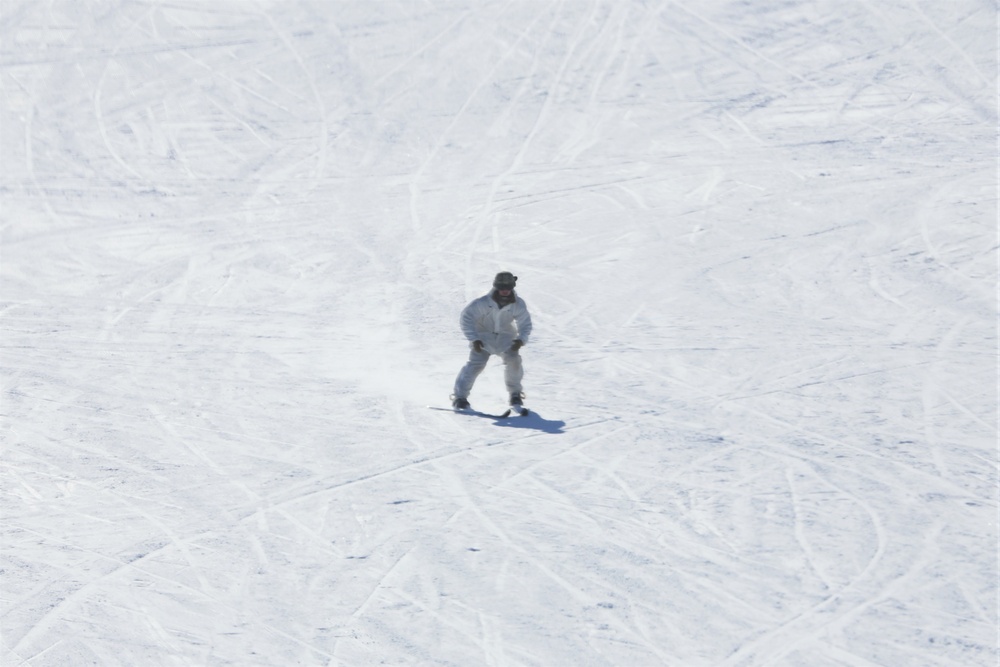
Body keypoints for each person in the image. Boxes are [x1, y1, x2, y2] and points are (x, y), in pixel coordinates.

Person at [452, 271, 532, 410]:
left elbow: (525, 323)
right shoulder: (483, 303)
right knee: (475, 365)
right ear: (496, 287)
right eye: (502, 288)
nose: (505, 291)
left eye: (508, 288)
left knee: (514, 361)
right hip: (483, 339)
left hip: (506, 339)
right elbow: (467, 318)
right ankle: (460, 397)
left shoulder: (517, 304)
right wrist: (474, 339)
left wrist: (520, 340)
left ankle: (515, 394)